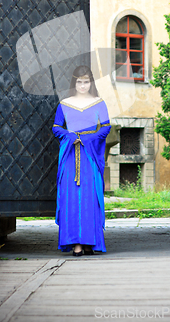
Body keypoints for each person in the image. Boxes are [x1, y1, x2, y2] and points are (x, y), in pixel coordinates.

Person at [52, 65, 111, 256]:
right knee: (71, 198)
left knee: (90, 197)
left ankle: (90, 242)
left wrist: (86, 138)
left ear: (91, 83)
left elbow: (106, 127)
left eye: (86, 82)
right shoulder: (65, 103)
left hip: (89, 155)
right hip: (70, 157)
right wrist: (71, 137)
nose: (83, 85)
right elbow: (56, 127)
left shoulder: (99, 103)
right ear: (74, 82)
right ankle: (76, 244)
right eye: (79, 81)